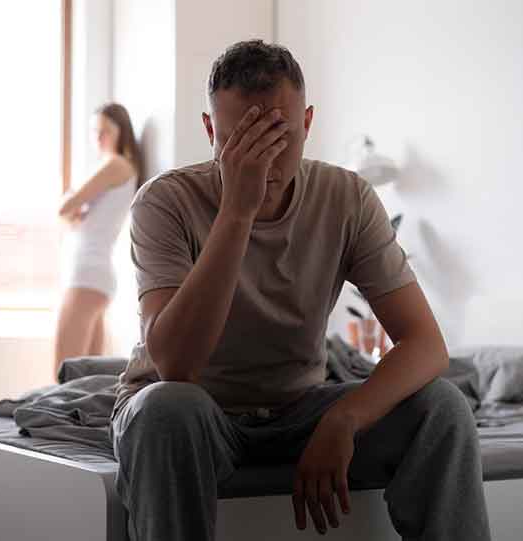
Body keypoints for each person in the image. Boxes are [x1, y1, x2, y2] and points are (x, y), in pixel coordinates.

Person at [112, 41, 491, 541]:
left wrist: (343, 420)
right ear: (209, 131)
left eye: (279, 136)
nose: (264, 161)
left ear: (307, 123)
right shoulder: (165, 202)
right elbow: (176, 366)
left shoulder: (347, 198)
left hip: (299, 407)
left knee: (443, 407)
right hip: (196, 409)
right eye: (240, 141)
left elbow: (426, 345)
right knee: (165, 409)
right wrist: (238, 211)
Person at [54, 103, 142, 378]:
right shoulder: (121, 169)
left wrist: (72, 208)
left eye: (105, 131)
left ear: (121, 132)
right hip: (95, 275)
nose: (99, 137)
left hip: (87, 274)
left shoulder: (114, 164)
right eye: (95, 131)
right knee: (86, 380)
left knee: (64, 373)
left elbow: (64, 208)